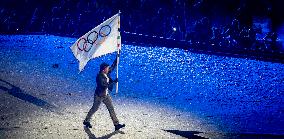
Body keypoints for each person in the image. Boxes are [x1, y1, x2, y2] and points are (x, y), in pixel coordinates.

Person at [83, 53, 125, 131]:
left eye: (108, 68)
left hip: (105, 95)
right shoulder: (99, 76)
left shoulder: (107, 72)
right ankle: (86, 121)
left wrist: (117, 58)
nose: (109, 69)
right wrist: (114, 82)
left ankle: (116, 124)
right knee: (94, 109)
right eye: (107, 68)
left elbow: (113, 66)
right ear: (103, 69)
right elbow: (104, 85)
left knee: (111, 109)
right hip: (99, 96)